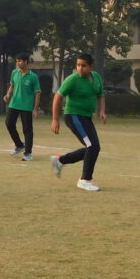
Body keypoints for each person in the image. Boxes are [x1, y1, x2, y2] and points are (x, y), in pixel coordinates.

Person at [50, 53, 107, 192]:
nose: (80, 68)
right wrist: (55, 119)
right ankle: (85, 180)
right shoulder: (72, 79)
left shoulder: (96, 77)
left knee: (94, 147)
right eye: (78, 65)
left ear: (91, 67)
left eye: (84, 65)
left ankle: (60, 161)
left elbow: (100, 95)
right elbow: (58, 97)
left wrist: (102, 111)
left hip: (86, 117)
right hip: (73, 116)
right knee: (92, 146)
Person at [4, 53, 41, 160]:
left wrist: (35, 108)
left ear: (26, 62)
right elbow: (12, 85)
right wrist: (8, 95)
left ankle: (28, 153)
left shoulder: (33, 76)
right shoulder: (14, 72)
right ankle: (19, 145)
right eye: (16, 61)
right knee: (9, 124)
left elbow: (37, 92)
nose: (17, 63)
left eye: (19, 61)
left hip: (26, 106)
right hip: (14, 104)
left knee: (27, 129)